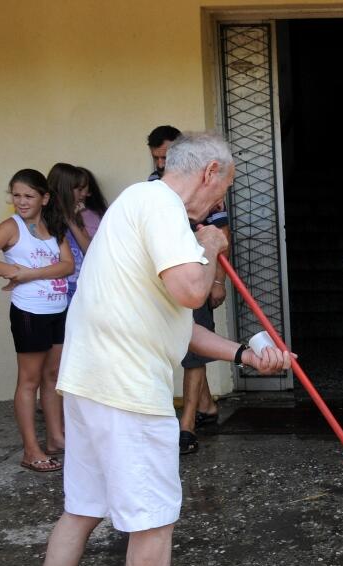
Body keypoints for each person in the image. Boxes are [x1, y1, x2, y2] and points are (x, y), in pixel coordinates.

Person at [15, 133, 292, 566]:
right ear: (209, 171)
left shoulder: (137, 208)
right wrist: (210, 246)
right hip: (127, 392)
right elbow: (192, 291)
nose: (219, 204)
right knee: (152, 519)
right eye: (224, 189)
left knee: (82, 507)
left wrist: (245, 354)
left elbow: (177, 323)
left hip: (91, 384)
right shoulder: (162, 204)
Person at [0, 169, 75, 472]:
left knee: (53, 376)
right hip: (30, 312)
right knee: (29, 381)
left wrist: (30, 273)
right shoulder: (10, 226)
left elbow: (67, 265)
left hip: (57, 309)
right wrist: (12, 272)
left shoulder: (53, 225)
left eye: (29, 195)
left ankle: (56, 438)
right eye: (16, 195)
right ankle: (31, 450)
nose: (22, 201)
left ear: (45, 198)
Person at [148, 125, 229, 454]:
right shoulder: (153, 195)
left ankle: (189, 423)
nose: (161, 164)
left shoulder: (199, 196)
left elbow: (220, 234)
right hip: (172, 282)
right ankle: (201, 409)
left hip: (196, 274)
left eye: (166, 157)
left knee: (194, 352)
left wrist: (217, 280)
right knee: (185, 345)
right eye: (157, 159)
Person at [47, 163, 96, 301]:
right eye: (79, 189)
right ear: (64, 189)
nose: (84, 194)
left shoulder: (75, 216)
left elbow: (89, 249)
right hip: (58, 292)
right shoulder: (46, 220)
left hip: (78, 289)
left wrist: (71, 220)